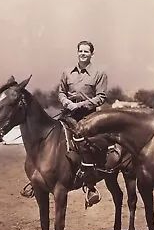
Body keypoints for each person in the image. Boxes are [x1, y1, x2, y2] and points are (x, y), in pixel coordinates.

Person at [21, 40, 107, 207]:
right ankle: (39, 179)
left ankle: (90, 186)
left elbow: (101, 97)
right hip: (68, 112)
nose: (83, 54)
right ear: (77, 53)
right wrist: (66, 102)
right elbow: (61, 92)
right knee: (50, 138)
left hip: (88, 115)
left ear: (91, 54)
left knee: (84, 143)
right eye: (80, 51)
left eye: (86, 51)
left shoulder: (99, 73)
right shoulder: (67, 72)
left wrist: (81, 105)